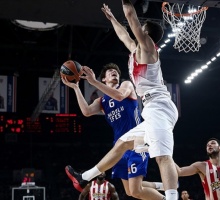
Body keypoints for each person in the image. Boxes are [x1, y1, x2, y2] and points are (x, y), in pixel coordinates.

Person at [65, 1, 179, 199]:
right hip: (151, 111)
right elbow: (124, 35)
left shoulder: (149, 49)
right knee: (121, 144)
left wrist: (127, 4)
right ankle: (84, 177)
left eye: (141, 30)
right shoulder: (137, 50)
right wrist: (112, 19)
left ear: (147, 35)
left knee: (163, 157)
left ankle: (171, 196)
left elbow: (132, 18)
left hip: (160, 107)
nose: (137, 32)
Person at [63, 63, 165, 199]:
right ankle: (161, 185)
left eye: (116, 71)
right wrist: (76, 88)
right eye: (110, 71)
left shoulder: (126, 85)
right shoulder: (102, 101)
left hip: (137, 141)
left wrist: (94, 82)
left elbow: (119, 96)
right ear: (104, 79)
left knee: (135, 191)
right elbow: (86, 111)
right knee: (130, 191)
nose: (114, 72)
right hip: (119, 147)